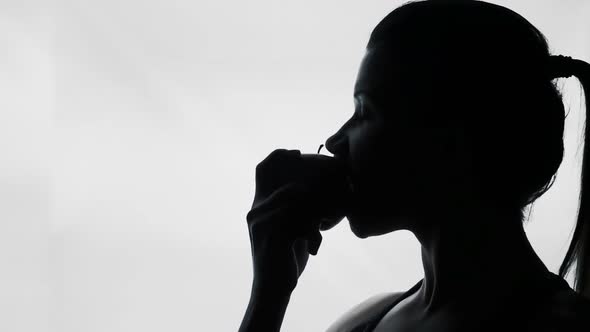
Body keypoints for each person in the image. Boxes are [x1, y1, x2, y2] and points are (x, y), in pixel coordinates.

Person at [239, 1, 590, 331]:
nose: (334, 140)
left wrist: (266, 304)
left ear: (451, 136)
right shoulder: (367, 320)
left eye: (365, 111)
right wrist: (270, 294)